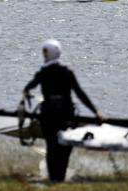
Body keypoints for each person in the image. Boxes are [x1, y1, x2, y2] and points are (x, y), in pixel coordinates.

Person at [23, 39, 103, 182]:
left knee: (51, 147)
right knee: (64, 148)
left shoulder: (43, 72)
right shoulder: (66, 72)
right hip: (66, 116)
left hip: (48, 116)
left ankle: (53, 178)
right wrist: (95, 112)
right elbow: (80, 93)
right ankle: (60, 178)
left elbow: (28, 88)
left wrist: (27, 94)